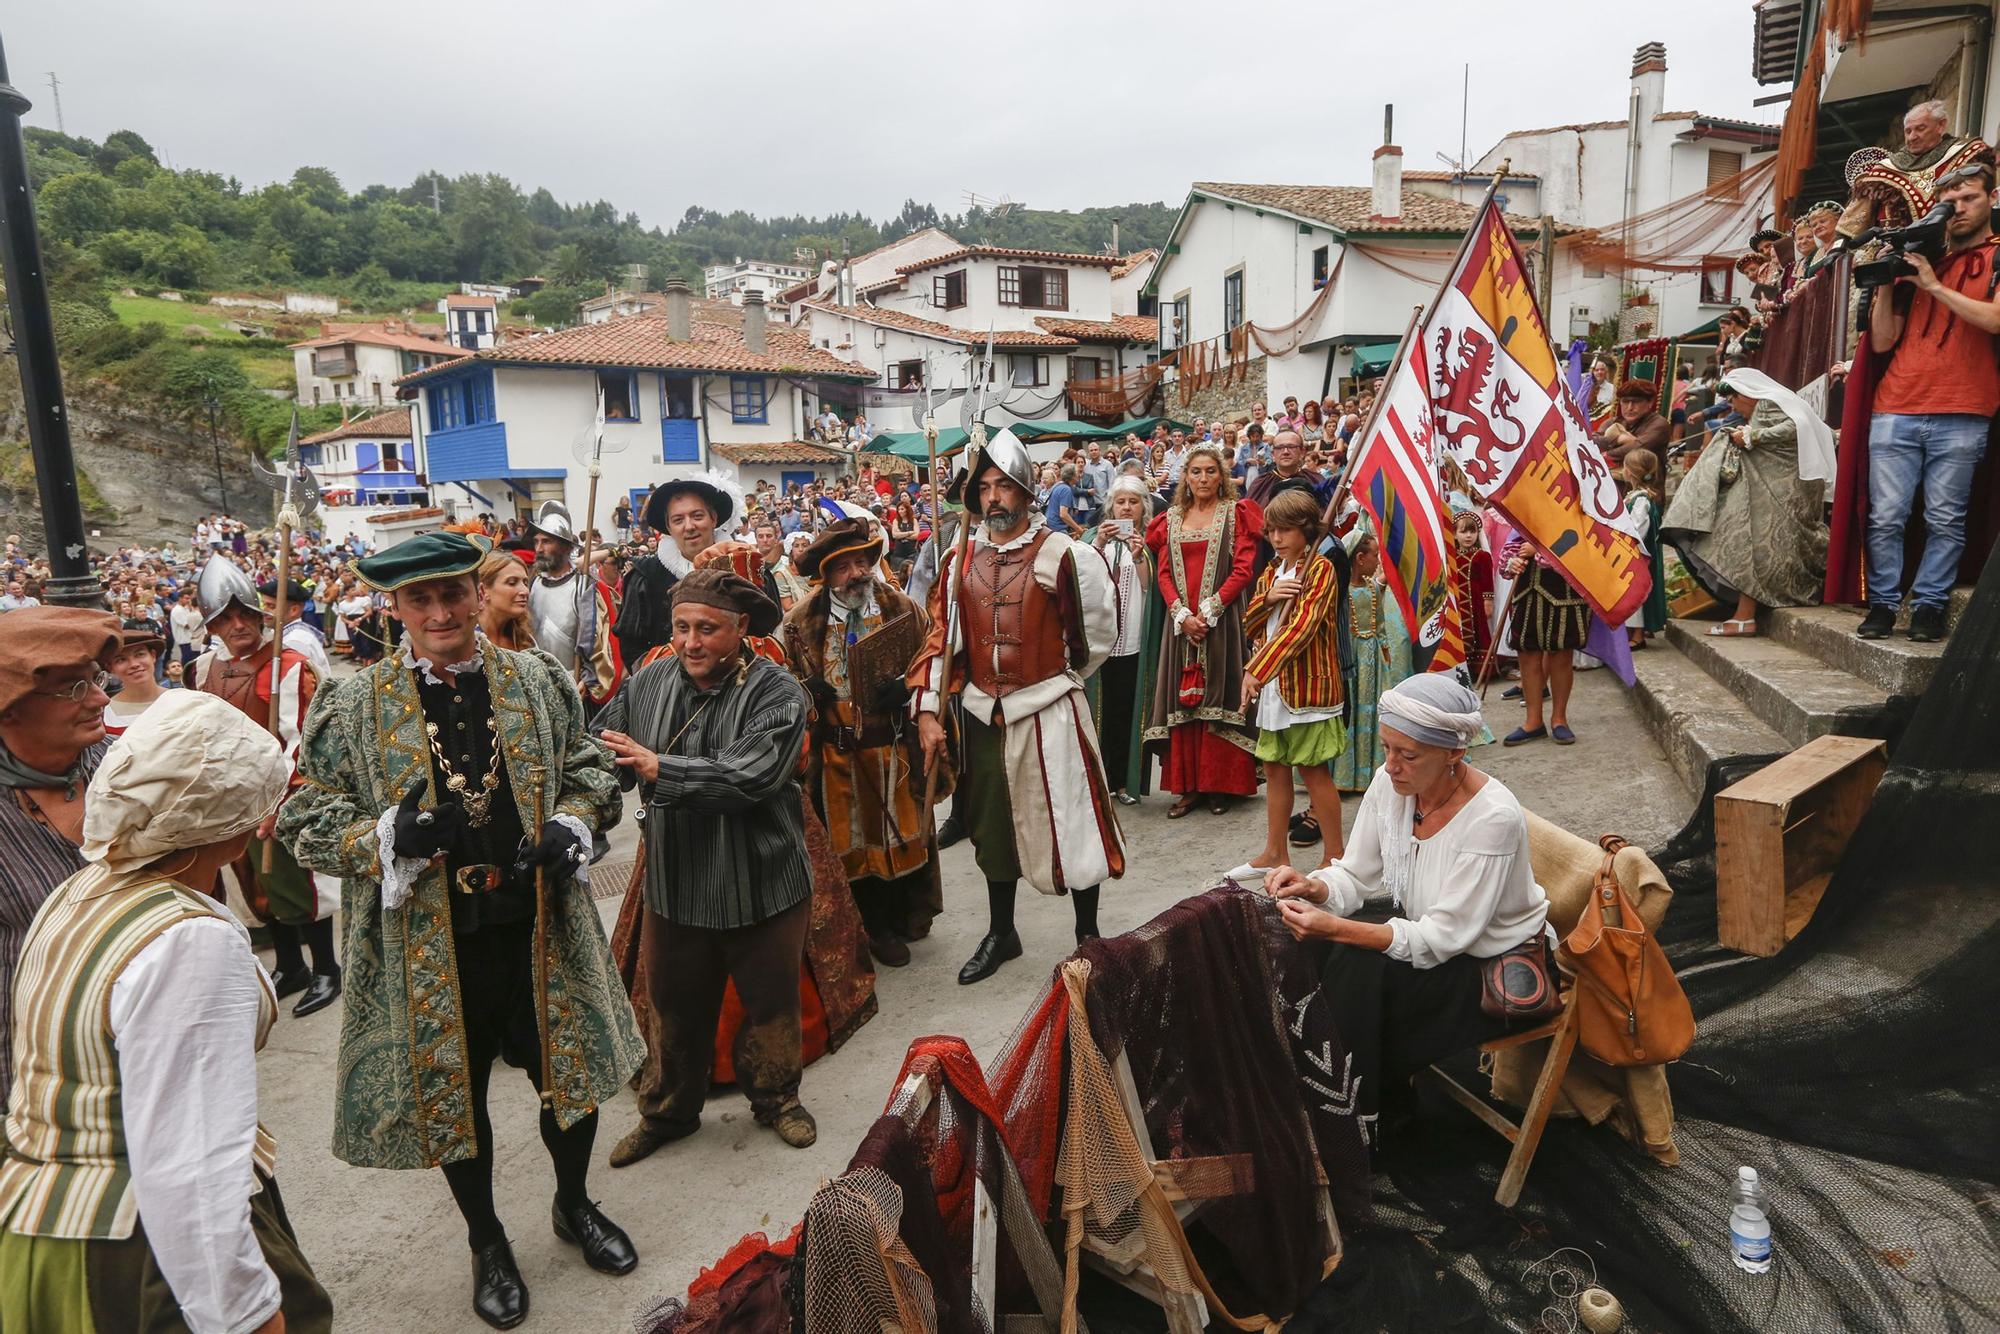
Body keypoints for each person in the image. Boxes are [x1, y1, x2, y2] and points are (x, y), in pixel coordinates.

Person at [278, 530, 639, 1330]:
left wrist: (572, 821)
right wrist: (382, 836)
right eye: (420, 599)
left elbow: (588, 766)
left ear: (476, 595)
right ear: (395, 608)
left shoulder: (538, 679)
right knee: (455, 1095)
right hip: (430, 944)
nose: (440, 611)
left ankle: (573, 1205)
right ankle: (487, 1240)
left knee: (568, 1078)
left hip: (538, 921)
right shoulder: (352, 703)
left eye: (452, 593)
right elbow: (304, 814)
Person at [0, 691, 334, 1334]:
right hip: (140, 1256)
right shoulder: (187, 940)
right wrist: (244, 1312)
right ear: (233, 827)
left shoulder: (85, 886)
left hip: (46, 1231)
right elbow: (192, 1165)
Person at [1262, 675, 1552, 1140]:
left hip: (1492, 966)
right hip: (1437, 944)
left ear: (1454, 754)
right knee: (1319, 953)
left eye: (1408, 754)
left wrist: (1333, 927)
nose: (1391, 765)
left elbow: (1443, 938)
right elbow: (1355, 874)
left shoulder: (1492, 818)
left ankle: (1349, 1124)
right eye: (1386, 748)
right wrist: (1314, 887)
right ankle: (1332, 1102)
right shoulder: (1391, 784)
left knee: (1353, 965)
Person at [591, 568, 822, 1152]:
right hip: (677, 878)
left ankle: (777, 1099)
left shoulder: (778, 692)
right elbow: (601, 744)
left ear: (742, 628)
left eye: (708, 629)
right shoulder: (647, 682)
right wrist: (574, 785)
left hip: (763, 878)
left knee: (771, 1004)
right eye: (681, 628)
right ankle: (668, 1112)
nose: (691, 643)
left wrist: (658, 768)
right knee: (673, 1007)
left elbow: (751, 777)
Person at [910, 428, 1123, 985]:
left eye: (1003, 486)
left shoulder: (1065, 554)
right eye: (983, 488)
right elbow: (943, 637)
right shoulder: (959, 558)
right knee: (991, 827)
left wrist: (1057, 682)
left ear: (1027, 491)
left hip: (1050, 706)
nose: (993, 498)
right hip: (984, 713)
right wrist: (929, 709)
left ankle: (1088, 936)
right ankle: (1002, 932)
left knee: (1071, 820)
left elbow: (1096, 638)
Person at [782, 518, 939, 967]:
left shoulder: (902, 608)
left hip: (891, 747)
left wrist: (908, 686)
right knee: (845, 844)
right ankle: (860, 925)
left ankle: (891, 922)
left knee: (893, 837)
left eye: (862, 562)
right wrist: (807, 690)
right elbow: (778, 676)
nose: (856, 573)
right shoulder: (799, 622)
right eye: (843, 566)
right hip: (834, 753)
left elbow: (933, 657)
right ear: (826, 574)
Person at [1858, 158, 2000, 643]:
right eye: (1950, 201)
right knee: (1885, 517)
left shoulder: (1997, 256)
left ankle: (1929, 607)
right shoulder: (1922, 256)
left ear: (1991, 200)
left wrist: (1935, 286)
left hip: (1964, 407)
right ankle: (1881, 604)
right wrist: (1883, 284)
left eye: (1969, 198)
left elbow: (1996, 320)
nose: (1958, 209)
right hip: (1896, 403)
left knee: (1944, 518)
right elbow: (1882, 342)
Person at [193, 556, 341, 1019]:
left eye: (246, 615)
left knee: (298, 883)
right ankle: (291, 965)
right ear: (213, 625)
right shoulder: (203, 670)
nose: (238, 625)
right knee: (257, 884)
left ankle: (326, 969)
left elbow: (302, 740)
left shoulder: (289, 665)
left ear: (261, 615)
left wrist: (283, 800)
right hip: (234, 797)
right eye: (226, 618)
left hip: (282, 795)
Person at [0, 607, 121, 1104]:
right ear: (9, 706)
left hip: (149, 1052)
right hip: (33, 1078)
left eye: (96, 679)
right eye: (73, 688)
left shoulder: (126, 769)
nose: (98, 699)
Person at [1229, 487, 1346, 883]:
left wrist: (1255, 669)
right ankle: (1275, 852)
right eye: (1272, 531)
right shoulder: (1271, 573)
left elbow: (1302, 629)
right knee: (1275, 767)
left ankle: (1334, 857)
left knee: (1313, 772)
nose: (1277, 539)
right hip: (1275, 689)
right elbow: (1251, 624)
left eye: (1286, 530)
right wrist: (1267, 600)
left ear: (1307, 530)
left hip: (1307, 687)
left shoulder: (1321, 570)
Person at [1662, 369, 1832, 638]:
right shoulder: (1779, 402)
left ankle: (1744, 617)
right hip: (1785, 490)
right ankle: (1745, 614)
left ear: (1746, 394)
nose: (1732, 406)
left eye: (1733, 400)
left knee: (1752, 544)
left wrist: (1754, 437)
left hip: (1781, 491)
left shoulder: (1769, 402)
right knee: (1755, 545)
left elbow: (1796, 427)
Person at [1145, 441, 1262, 819]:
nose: (1203, 478)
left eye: (1210, 471)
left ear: (1221, 475)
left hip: (1222, 619)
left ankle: (1220, 785)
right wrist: (1182, 614)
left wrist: (1210, 610)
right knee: (1183, 699)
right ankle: (1189, 786)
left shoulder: (1235, 513)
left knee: (1221, 696)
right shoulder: (1171, 519)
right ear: (1186, 477)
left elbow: (1244, 568)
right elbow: (1163, 572)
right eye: (1196, 471)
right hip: (1180, 624)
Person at [615, 474, 733, 664]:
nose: (689, 526)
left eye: (697, 516)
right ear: (669, 528)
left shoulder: (744, 567)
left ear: (713, 518)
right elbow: (632, 650)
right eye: (678, 520)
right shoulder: (645, 576)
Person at [1090, 476, 1156, 806]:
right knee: (1099, 714)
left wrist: (1140, 554)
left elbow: (1149, 588)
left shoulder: (1149, 541)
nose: (1126, 507)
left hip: (1132, 642)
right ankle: (1100, 780)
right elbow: (1083, 578)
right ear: (1110, 507)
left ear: (1144, 506)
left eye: (1133, 501)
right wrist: (1099, 544)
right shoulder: (1095, 539)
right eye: (1120, 502)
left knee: (1128, 712)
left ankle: (1123, 781)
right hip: (1101, 644)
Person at [1333, 529, 1414, 792]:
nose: (1377, 561)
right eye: (1374, 555)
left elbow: (1379, 625)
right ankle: (1347, 775)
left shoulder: (1371, 587)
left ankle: (1370, 771)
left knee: (1372, 711)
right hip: (1352, 658)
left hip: (1373, 658)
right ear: (1359, 558)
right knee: (1353, 710)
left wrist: (1386, 653)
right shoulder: (1340, 590)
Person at [526, 500, 622, 706]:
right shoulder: (533, 584)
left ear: (566, 547)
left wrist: (588, 682)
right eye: (536, 542)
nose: (539, 548)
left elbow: (602, 646)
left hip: (574, 690)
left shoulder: (585, 587)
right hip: (536, 688)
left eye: (547, 542)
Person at [1623, 450, 1670, 649]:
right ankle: (1633, 630)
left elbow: (1637, 528)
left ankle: (1638, 634)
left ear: (1630, 472)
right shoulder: (1635, 496)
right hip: (1634, 554)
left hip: (1639, 556)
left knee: (1636, 594)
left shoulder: (1641, 500)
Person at [102, 621, 170, 739]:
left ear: (153, 656)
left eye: (139, 654)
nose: (134, 664)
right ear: (110, 668)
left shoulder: (181, 700)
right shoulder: (105, 716)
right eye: (121, 660)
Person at [1449, 511, 1496, 670]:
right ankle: (1464, 666)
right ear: (1454, 534)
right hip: (1459, 601)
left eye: (1472, 531)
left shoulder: (1482, 556)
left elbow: (1487, 580)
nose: (1468, 536)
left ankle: (1480, 667)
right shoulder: (1452, 557)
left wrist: (1488, 600)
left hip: (1476, 601)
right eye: (1463, 532)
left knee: (1479, 630)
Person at [1593, 380, 1670, 469]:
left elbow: (1638, 447)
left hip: (1644, 480)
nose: (1630, 408)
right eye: (1625, 401)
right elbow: (1592, 440)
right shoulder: (1613, 422)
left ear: (1650, 403)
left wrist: (1606, 454)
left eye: (1636, 402)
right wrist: (1618, 439)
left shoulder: (1659, 424)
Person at [478, 547, 537, 650]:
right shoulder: (467, 643)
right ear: (484, 590)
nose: (525, 591)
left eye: (525, 583)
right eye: (512, 583)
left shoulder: (526, 641)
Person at [170, 585, 207, 668]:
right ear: (180, 598)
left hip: (190, 639)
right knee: (187, 661)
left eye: (190, 598)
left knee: (192, 660)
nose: (188, 601)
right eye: (186, 598)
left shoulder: (186, 608)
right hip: (184, 640)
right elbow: (188, 625)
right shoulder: (177, 610)